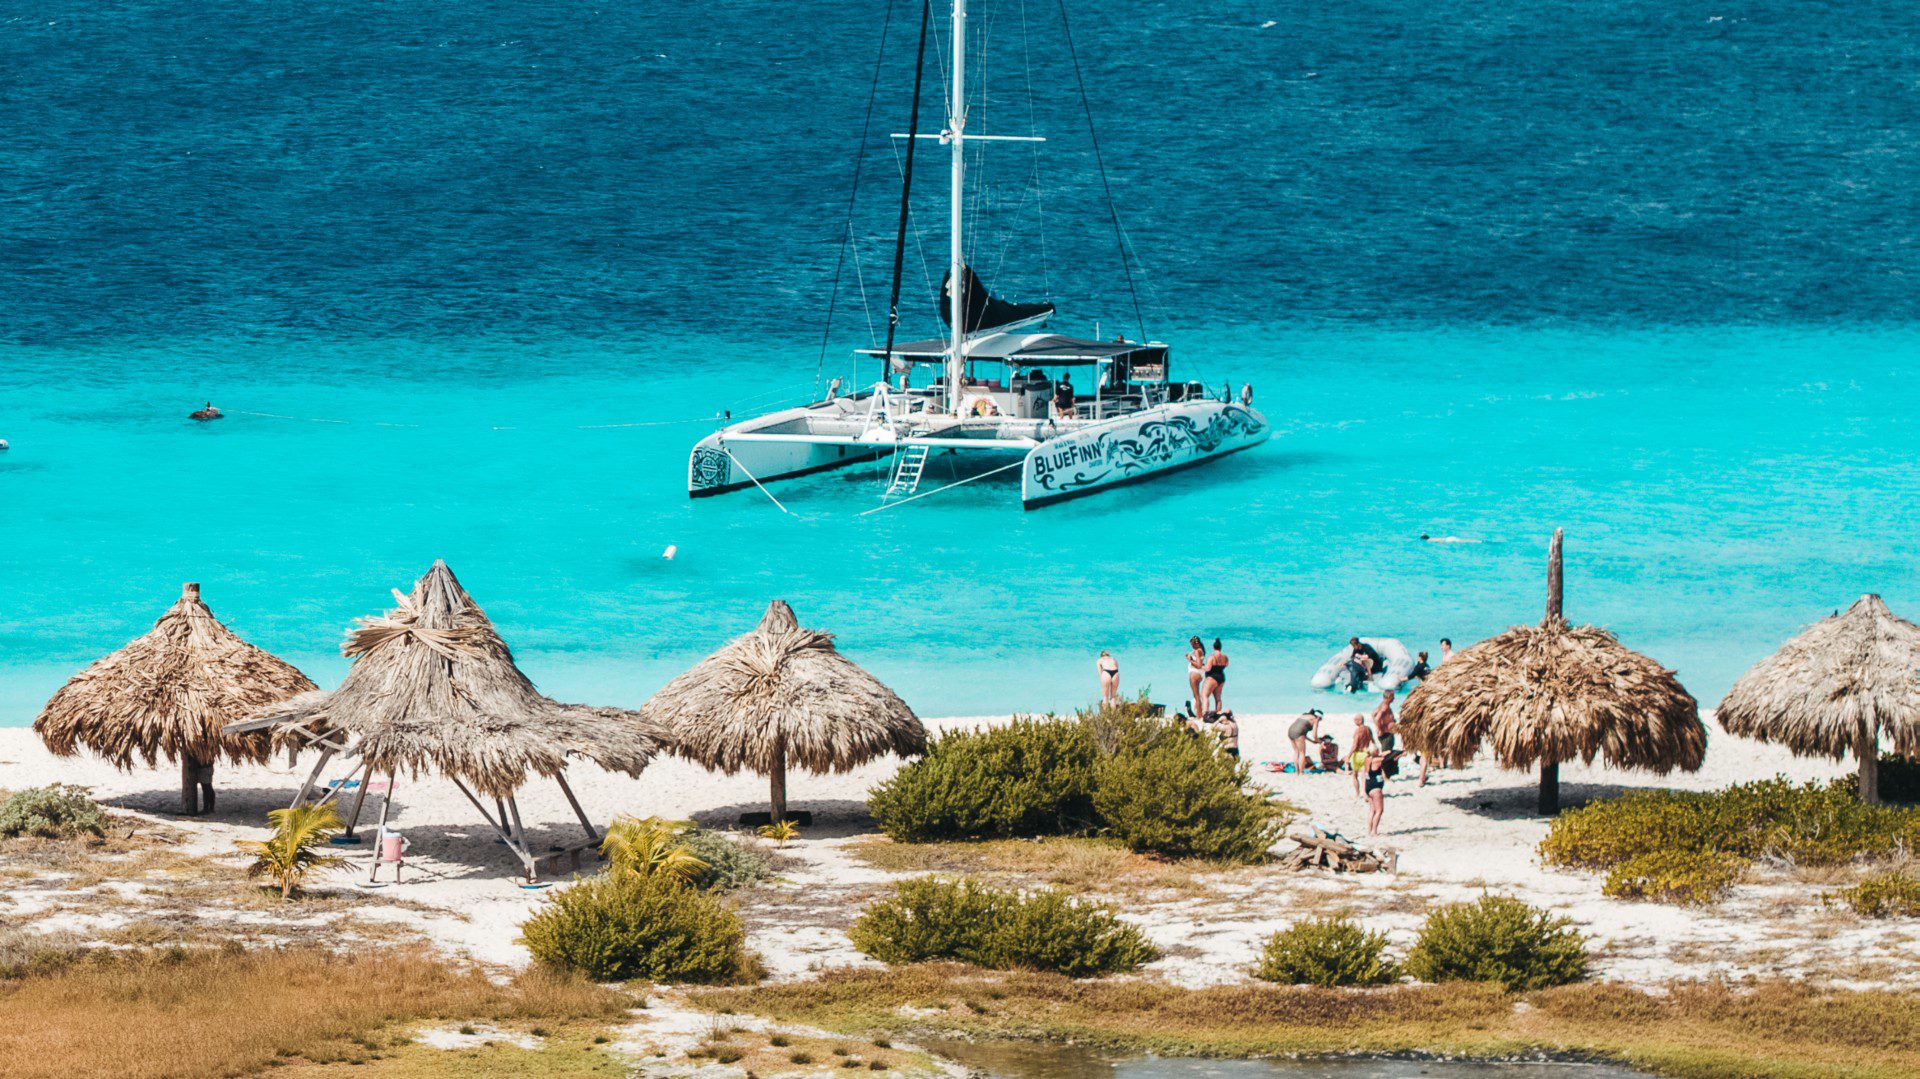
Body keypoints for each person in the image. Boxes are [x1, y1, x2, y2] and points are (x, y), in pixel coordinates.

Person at [1287, 709, 1324, 774]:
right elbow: (1315, 736)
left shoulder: (1304, 715)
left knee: (1296, 752)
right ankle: (1301, 772)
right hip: (1298, 733)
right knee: (1302, 753)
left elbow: (1303, 734)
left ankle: (1296, 771)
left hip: (1290, 731)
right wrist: (1320, 742)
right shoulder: (1315, 719)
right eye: (1320, 719)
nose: (1320, 721)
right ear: (1318, 717)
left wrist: (1312, 741)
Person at [1364, 748, 1390, 835]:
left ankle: (1369, 830)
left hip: (1368, 786)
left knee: (1372, 810)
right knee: (1379, 810)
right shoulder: (1378, 760)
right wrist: (1388, 752)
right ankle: (1374, 831)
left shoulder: (1367, 760)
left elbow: (1364, 775)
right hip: (1376, 788)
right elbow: (1389, 757)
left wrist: (1364, 792)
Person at [1348, 714, 1374, 799]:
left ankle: (1357, 794)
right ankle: (1365, 794)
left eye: (1355, 720)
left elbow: (1355, 745)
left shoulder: (1358, 731)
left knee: (1355, 775)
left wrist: (1348, 756)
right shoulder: (1368, 729)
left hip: (1357, 754)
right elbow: (1372, 741)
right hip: (1366, 754)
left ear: (1359, 720)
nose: (1354, 721)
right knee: (1364, 776)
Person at [1203, 638, 1229, 714]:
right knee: (1218, 698)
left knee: (1205, 695)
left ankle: (1205, 713)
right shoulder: (1225, 657)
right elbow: (1227, 665)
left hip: (1212, 677)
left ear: (1213, 647)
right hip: (1221, 677)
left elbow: (1207, 669)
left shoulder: (1211, 657)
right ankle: (1218, 713)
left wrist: (1201, 666)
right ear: (1220, 647)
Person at [1185, 636, 1207, 719]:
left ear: (1193, 644)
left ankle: (1198, 715)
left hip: (1195, 673)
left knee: (1196, 695)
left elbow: (1198, 665)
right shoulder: (1201, 650)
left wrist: (1189, 660)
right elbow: (1201, 663)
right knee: (1197, 695)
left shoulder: (1197, 651)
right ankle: (1199, 713)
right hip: (1199, 673)